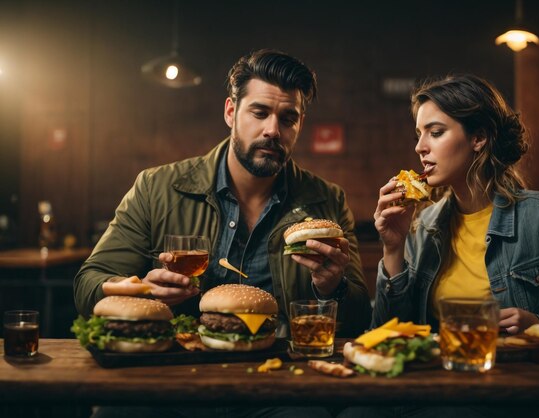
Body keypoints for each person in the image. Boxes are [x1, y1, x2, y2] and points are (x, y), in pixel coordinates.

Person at [74, 49, 372, 418]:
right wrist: (140, 288)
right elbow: (88, 284)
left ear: (300, 124)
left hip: (279, 384)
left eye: (288, 118)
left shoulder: (327, 200)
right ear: (231, 112)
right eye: (259, 112)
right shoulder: (156, 187)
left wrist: (332, 287)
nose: (273, 131)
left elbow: (359, 318)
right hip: (171, 378)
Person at [340, 74, 539, 418]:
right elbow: (389, 336)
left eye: (435, 133)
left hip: (511, 392)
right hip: (434, 386)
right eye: (419, 134)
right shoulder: (425, 224)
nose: (420, 147)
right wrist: (393, 247)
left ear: (478, 138)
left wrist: (534, 324)